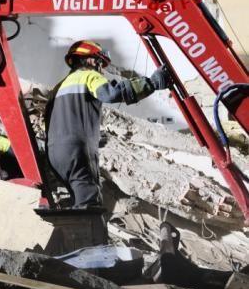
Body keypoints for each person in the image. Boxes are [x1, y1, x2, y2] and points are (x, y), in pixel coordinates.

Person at [45, 40, 172, 207]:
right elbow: (110, 94)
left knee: (77, 203)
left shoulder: (58, 87)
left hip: (54, 154)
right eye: (100, 64)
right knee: (89, 204)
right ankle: (86, 234)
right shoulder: (88, 75)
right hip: (78, 151)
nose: (101, 70)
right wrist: (152, 83)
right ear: (91, 60)